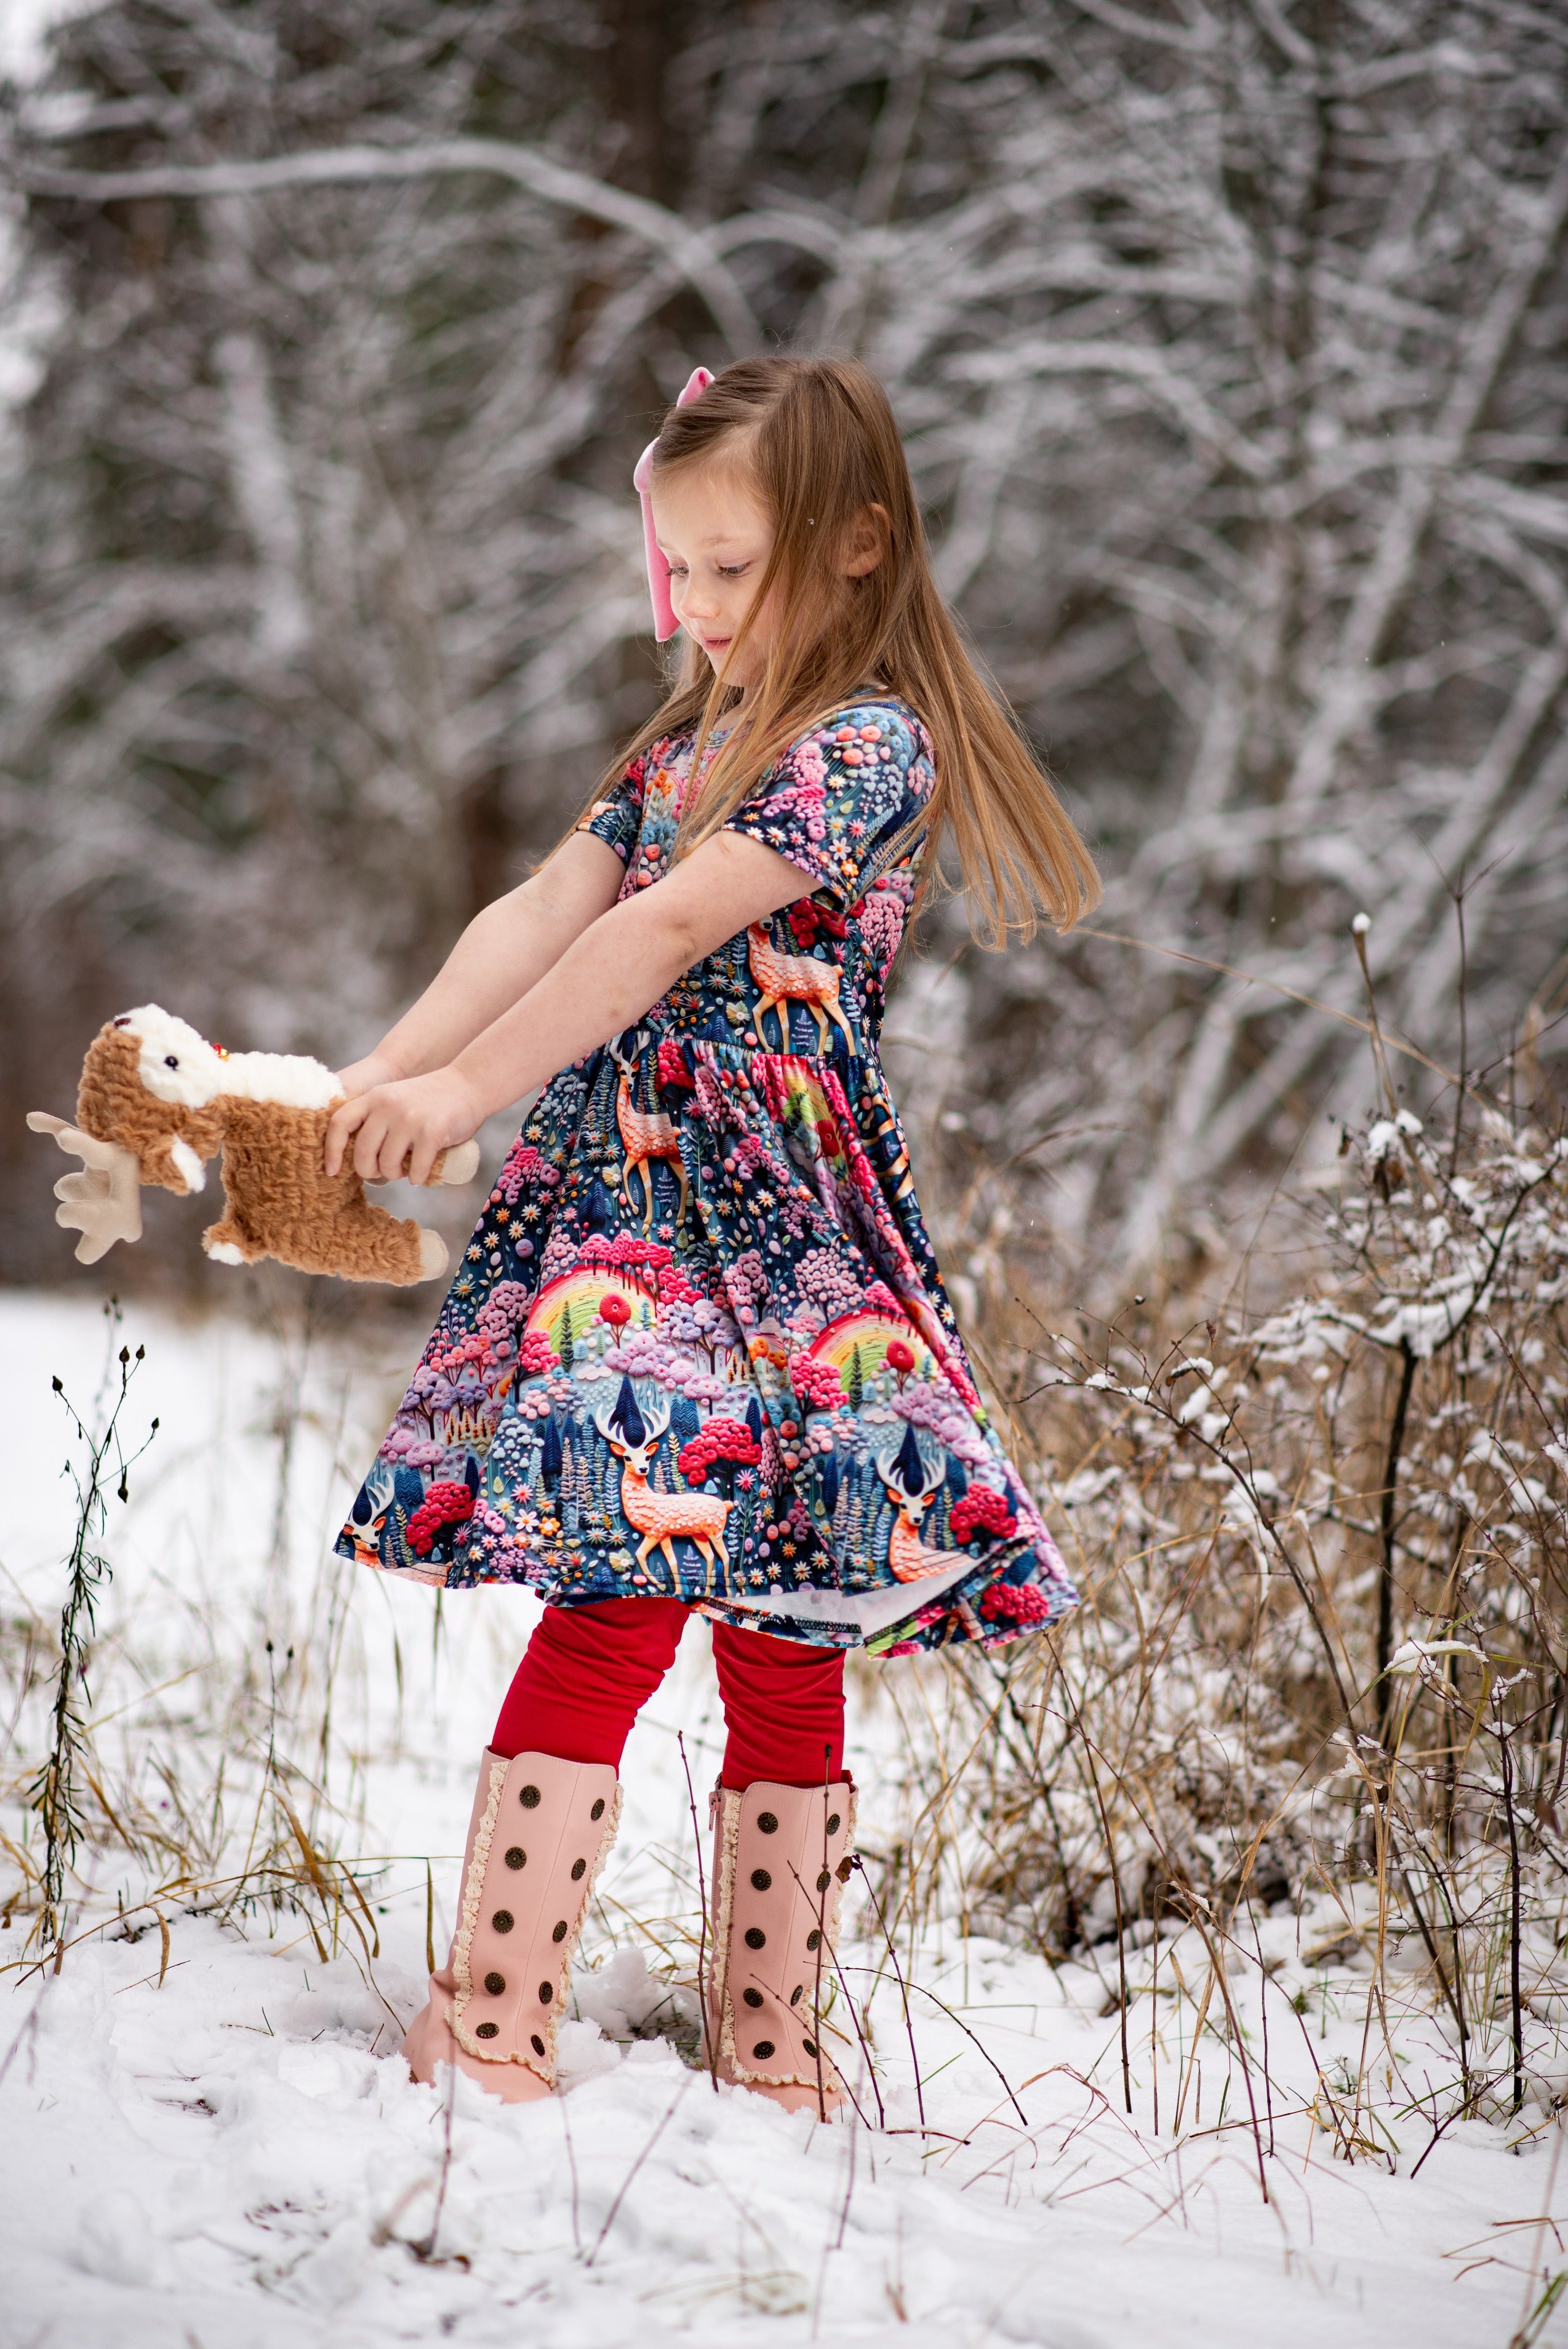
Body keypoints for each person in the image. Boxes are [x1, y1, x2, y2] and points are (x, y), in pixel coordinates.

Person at [329, 357, 1099, 2119]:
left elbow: (667, 929)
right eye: (676, 571)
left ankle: (775, 2046)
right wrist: (375, 1074)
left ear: (854, 547)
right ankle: (497, 2021)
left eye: (731, 568)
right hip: (632, 1229)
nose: (693, 607)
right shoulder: (677, 746)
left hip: (792, 1241)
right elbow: (546, 907)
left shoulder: (865, 747)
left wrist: (466, 1098)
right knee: (611, 1582)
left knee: (793, 1618)